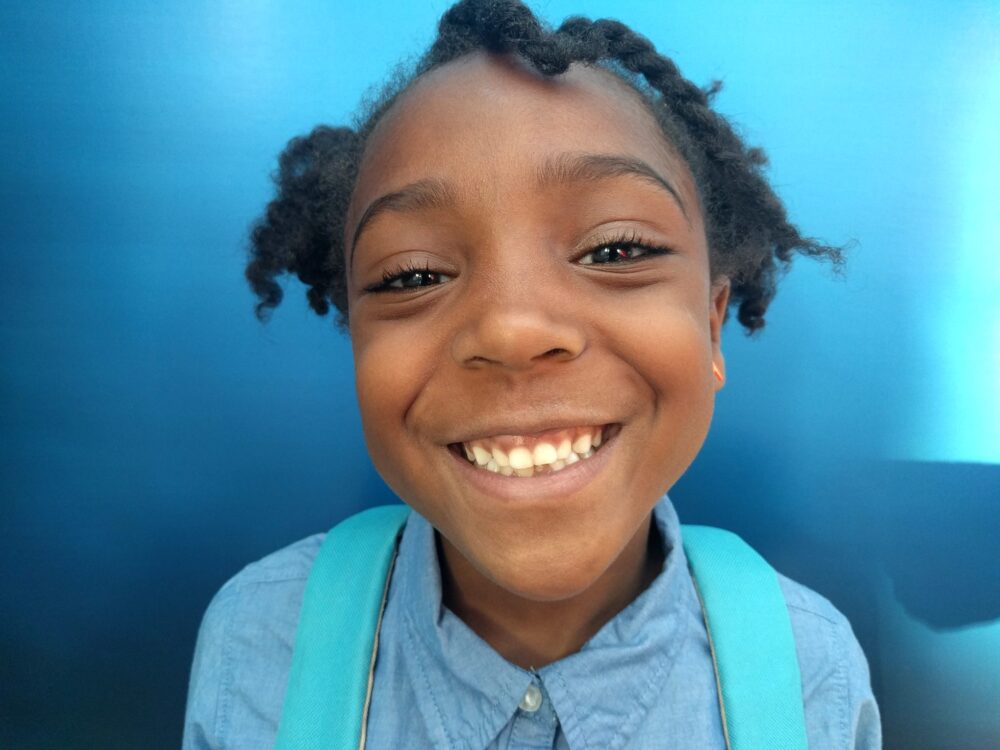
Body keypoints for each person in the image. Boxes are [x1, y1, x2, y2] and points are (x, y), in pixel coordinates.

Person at [183, 1, 881, 747]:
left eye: (615, 251)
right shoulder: (260, 644)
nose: (512, 330)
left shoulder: (811, 671)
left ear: (712, 326)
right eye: (412, 273)